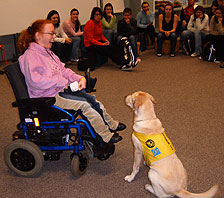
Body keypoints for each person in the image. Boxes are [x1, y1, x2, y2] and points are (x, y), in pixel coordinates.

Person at [17, 19, 126, 144]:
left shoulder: (48, 53)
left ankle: (111, 124)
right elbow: (35, 82)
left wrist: (79, 78)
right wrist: (61, 81)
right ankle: (105, 136)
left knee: (92, 100)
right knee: (85, 105)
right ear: (38, 35)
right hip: (47, 98)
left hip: (59, 91)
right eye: (51, 34)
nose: (54, 37)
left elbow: (64, 71)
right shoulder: (30, 57)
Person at [83, 7, 137, 71]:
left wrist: (106, 41)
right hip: (90, 44)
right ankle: (123, 64)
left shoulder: (99, 23)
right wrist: (102, 44)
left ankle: (127, 61)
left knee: (114, 47)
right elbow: (90, 39)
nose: (98, 16)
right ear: (93, 15)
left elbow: (101, 35)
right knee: (109, 50)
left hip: (98, 42)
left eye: (100, 15)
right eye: (96, 15)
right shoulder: (90, 23)